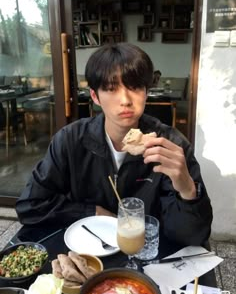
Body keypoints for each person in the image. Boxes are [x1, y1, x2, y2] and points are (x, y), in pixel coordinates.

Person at [16, 43, 212, 247]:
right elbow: (30, 206)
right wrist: (92, 212)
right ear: (95, 96)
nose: (125, 100)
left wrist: (188, 190)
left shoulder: (170, 145)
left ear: (146, 92)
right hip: (87, 250)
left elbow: (191, 237)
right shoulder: (70, 140)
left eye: (135, 87)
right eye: (111, 88)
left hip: (146, 256)